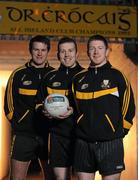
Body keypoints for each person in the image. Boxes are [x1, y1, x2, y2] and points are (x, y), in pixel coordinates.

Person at [72, 34, 135, 180]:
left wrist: (120, 131)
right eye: (92, 48)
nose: (96, 52)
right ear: (87, 52)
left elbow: (129, 106)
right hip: (83, 143)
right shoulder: (78, 79)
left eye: (100, 48)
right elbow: (75, 110)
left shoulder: (117, 76)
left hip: (110, 143)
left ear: (107, 51)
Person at [4, 35, 54, 180]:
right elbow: (8, 104)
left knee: (52, 178)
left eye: (43, 50)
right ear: (30, 51)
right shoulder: (18, 74)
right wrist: (19, 124)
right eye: (36, 49)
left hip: (48, 135)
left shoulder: (54, 75)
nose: (39, 53)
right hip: (23, 135)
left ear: (48, 51)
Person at [36, 37, 84, 180]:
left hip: (81, 136)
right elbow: (38, 103)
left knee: (84, 177)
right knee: (60, 178)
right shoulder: (49, 77)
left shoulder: (85, 76)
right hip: (58, 135)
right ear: (58, 55)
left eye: (70, 51)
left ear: (77, 53)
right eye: (62, 51)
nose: (66, 54)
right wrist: (44, 111)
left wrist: (74, 111)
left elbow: (93, 106)